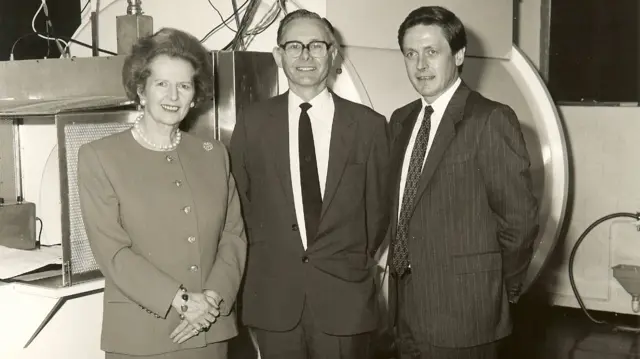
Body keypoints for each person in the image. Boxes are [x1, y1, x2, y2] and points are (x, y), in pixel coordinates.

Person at [77, 28, 246, 359]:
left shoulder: (214, 154)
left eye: (184, 86)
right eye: (161, 84)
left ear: (194, 96)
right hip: (143, 336)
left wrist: (211, 300)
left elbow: (234, 236)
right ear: (141, 90)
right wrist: (183, 301)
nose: (173, 96)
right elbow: (112, 252)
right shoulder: (100, 156)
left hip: (210, 331)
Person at [230, 9, 389, 359]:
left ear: (333, 54)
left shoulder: (369, 126)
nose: (305, 56)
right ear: (278, 55)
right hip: (274, 299)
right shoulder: (252, 124)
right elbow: (240, 206)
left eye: (317, 45)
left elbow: (378, 214)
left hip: (344, 299)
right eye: (294, 46)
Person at [386, 6, 539, 359]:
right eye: (411, 54)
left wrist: (495, 288)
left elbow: (520, 223)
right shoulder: (402, 120)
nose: (420, 65)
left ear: (458, 55)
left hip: (466, 315)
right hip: (405, 310)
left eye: (431, 52)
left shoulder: (490, 119)